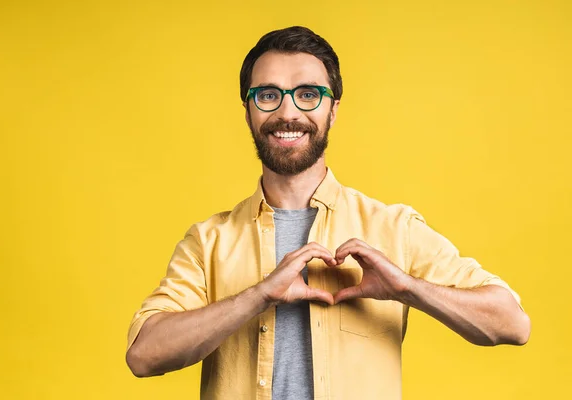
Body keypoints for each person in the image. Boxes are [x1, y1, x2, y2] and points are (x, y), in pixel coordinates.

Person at [125, 26, 531, 400]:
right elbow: (144, 355)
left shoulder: (393, 229)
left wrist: (406, 288)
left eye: (308, 94)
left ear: (332, 109)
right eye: (268, 95)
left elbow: (512, 324)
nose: (287, 113)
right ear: (248, 109)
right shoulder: (209, 241)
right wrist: (259, 295)